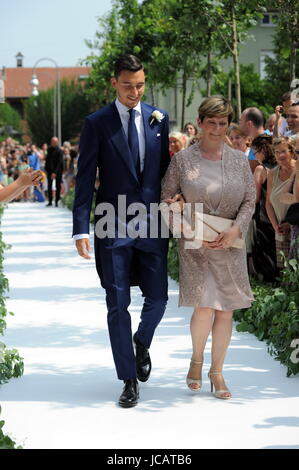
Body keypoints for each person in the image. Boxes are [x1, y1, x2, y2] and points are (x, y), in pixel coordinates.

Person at [72, 54, 171, 408]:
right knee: (117, 303)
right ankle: (128, 378)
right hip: (112, 222)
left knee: (158, 297)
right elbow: (84, 179)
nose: (135, 91)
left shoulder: (159, 119)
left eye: (140, 84)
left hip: (152, 223)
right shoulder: (96, 123)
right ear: (114, 83)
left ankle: (140, 342)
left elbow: (164, 172)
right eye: (128, 85)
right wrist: (80, 229)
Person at [161, 95, 256, 399]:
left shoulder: (240, 161)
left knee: (225, 310)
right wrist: (188, 232)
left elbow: (249, 201)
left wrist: (235, 229)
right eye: (211, 122)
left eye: (223, 123)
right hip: (196, 243)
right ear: (199, 123)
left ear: (229, 125)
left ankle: (218, 372)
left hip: (230, 242)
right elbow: (165, 201)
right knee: (204, 307)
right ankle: (196, 359)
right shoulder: (182, 160)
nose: (217, 128)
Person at [265, 137, 296, 269]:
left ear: (292, 152)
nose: (280, 155)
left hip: (296, 227)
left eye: (283, 151)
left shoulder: (298, 170)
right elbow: (268, 203)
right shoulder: (272, 173)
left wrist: (290, 224)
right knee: (285, 272)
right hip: (280, 229)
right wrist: (275, 226)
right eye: (276, 152)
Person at [250, 135, 277, 281]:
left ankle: (266, 283)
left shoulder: (261, 169)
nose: (254, 155)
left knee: (264, 254)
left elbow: (255, 198)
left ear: (263, 150)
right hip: (281, 216)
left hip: (264, 217)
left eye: (255, 151)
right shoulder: (281, 167)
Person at [239, 107, 270, 173]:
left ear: (249, 124)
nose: (239, 126)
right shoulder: (263, 139)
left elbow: (248, 172)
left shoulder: (264, 142)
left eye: (240, 121)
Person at [45, 137, 64, 207]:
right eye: (52, 141)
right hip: (50, 171)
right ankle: (50, 201)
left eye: (55, 142)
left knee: (57, 186)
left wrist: (55, 172)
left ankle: (57, 201)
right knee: (49, 186)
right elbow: (48, 161)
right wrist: (48, 170)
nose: (54, 143)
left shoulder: (60, 151)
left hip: (58, 171)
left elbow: (60, 163)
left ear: (57, 142)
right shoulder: (49, 149)